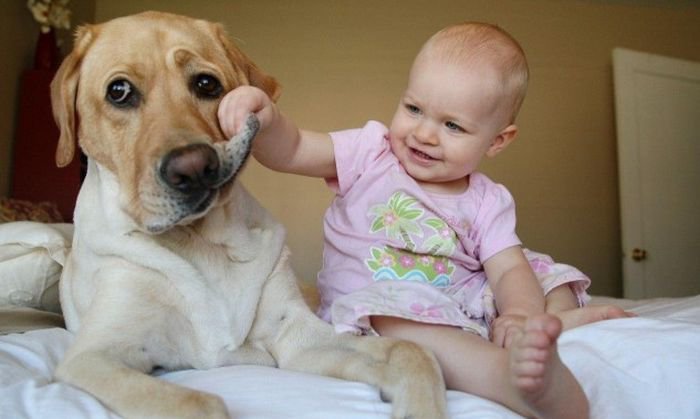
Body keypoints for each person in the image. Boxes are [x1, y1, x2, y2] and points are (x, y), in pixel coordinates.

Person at [219, 21, 631, 418]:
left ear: (497, 140)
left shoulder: (487, 199)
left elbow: (507, 268)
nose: (424, 134)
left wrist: (520, 316)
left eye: (452, 125)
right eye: (414, 108)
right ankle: (509, 381)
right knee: (403, 321)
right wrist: (268, 122)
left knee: (540, 271)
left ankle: (547, 325)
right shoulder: (370, 153)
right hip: (385, 305)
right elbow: (293, 149)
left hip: (466, 301)